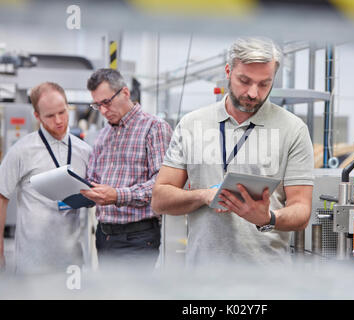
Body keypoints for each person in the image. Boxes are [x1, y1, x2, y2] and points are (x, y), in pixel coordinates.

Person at [151, 37, 314, 268]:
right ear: (228, 71)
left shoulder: (293, 129)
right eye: (244, 80)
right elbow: (159, 199)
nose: (253, 93)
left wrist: (268, 218)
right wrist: (203, 196)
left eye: (264, 84)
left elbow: (302, 210)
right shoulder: (192, 124)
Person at [80, 69, 172, 268]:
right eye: (97, 105)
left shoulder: (154, 128)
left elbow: (162, 184)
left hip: (137, 237)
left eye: (106, 102)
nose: (103, 111)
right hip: (104, 236)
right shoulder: (104, 134)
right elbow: (93, 178)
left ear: (125, 93)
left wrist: (118, 195)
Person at [0, 82, 92, 274]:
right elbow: (1, 198)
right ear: (37, 116)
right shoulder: (21, 151)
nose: (59, 120)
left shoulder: (84, 151)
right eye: (50, 115)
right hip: (32, 261)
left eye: (62, 112)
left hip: (72, 260)